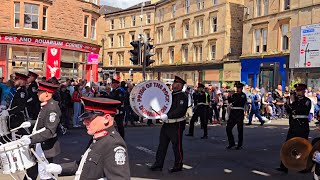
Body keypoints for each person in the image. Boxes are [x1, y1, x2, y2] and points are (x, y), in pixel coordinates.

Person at [44, 97, 130, 179]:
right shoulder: (98, 137)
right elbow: (84, 164)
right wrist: (60, 168)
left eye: (90, 118)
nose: (85, 122)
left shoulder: (113, 143)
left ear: (106, 118)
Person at [19, 81, 61, 180]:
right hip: (39, 145)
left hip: (45, 146)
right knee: (32, 171)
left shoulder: (52, 108)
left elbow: (50, 131)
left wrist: (31, 139)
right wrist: (31, 123)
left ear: (47, 93)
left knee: (45, 175)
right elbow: (42, 121)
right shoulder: (46, 105)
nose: (37, 93)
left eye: (40, 92)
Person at [150, 76, 188, 173]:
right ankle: (158, 164)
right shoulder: (171, 95)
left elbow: (180, 110)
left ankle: (178, 165)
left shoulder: (182, 96)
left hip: (176, 124)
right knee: (162, 145)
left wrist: (168, 115)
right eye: (174, 83)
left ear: (180, 86)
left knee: (177, 146)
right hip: (167, 124)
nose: (173, 85)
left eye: (175, 83)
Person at [276, 83, 311, 173]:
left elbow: (302, 110)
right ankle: (284, 166)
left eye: (300, 91)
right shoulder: (295, 102)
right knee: (288, 145)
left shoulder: (307, 101)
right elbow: (289, 112)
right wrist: (288, 103)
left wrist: (292, 103)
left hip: (302, 125)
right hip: (294, 126)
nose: (298, 92)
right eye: (297, 91)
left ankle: (305, 167)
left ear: (304, 91)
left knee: (303, 147)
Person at [226, 82, 247, 150]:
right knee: (228, 128)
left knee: (240, 130)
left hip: (239, 113)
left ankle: (239, 145)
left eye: (239, 88)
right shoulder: (234, 95)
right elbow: (230, 101)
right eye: (237, 88)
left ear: (241, 88)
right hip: (233, 113)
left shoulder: (243, 95)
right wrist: (229, 96)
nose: (238, 89)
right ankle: (231, 143)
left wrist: (233, 98)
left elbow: (240, 102)